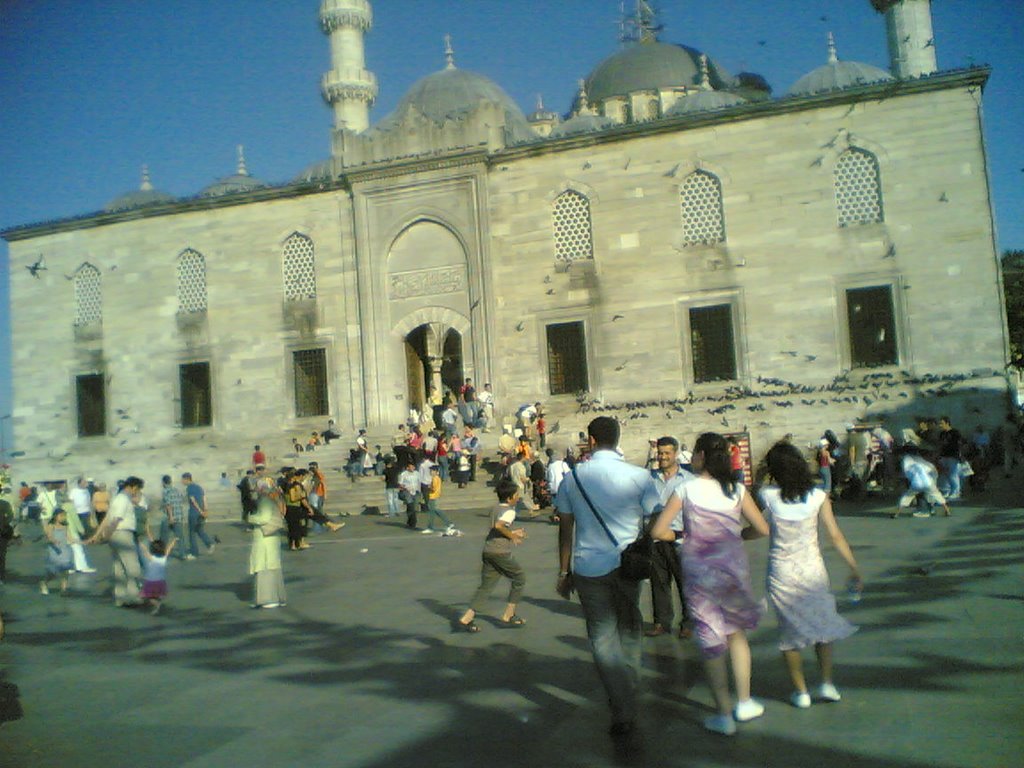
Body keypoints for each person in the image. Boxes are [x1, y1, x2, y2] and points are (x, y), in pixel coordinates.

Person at [651, 432, 770, 736]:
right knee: (736, 633)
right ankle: (744, 701)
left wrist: (679, 537)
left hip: (699, 570)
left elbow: (659, 530)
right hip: (733, 568)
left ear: (701, 456)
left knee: (711, 637)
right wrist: (740, 536)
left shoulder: (685, 489)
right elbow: (761, 528)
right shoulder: (737, 490)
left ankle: (724, 714)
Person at [555, 416, 654, 738]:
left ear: (592, 441)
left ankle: (620, 704)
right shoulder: (640, 476)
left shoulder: (573, 479)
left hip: (587, 566)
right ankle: (629, 687)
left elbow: (566, 528)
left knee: (601, 636)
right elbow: (655, 517)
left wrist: (563, 570)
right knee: (630, 626)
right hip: (628, 565)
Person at [759, 442, 860, 708]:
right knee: (823, 626)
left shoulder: (768, 496)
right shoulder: (818, 496)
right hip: (813, 569)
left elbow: (758, 528)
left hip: (782, 572)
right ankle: (826, 683)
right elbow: (835, 535)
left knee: (790, 633)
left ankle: (801, 691)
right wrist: (854, 568)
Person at [640, 436, 695, 639]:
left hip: (680, 537)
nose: (662, 457)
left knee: (685, 583)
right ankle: (661, 622)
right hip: (655, 538)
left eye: (666, 453)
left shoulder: (689, 480)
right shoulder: (649, 480)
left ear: (676, 454)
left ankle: (688, 623)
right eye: (660, 453)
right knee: (659, 583)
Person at [458, 478, 527, 631]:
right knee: (519, 578)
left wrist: (513, 532)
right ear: (509, 498)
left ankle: (467, 618)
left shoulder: (496, 508)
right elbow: (499, 526)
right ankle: (509, 614)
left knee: (486, 586)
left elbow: (496, 529)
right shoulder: (510, 511)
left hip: (488, 550)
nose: (518, 497)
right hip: (500, 552)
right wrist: (512, 536)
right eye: (516, 495)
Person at [87, 476, 146, 607]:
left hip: (116, 535)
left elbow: (106, 519)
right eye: (137, 490)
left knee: (119, 566)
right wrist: (106, 535)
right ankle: (134, 596)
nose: (136, 493)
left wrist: (97, 535)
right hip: (122, 533)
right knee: (132, 566)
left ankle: (120, 597)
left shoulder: (116, 499)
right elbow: (115, 520)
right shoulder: (123, 499)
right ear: (133, 487)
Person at [249, 477, 287, 608]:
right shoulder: (272, 499)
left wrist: (251, 518)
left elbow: (264, 518)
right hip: (272, 538)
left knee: (264, 566)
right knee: (272, 566)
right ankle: (277, 596)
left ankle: (268, 599)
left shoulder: (264, 501)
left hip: (265, 539)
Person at [893, 446, 950, 518]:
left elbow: (907, 473)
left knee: (907, 497)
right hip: (928, 482)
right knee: (937, 496)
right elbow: (932, 470)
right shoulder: (921, 460)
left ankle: (897, 514)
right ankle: (947, 511)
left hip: (916, 483)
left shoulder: (906, 460)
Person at [40, 506, 74, 596]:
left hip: (64, 550)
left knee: (65, 569)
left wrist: (78, 541)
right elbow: (49, 536)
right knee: (53, 571)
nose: (63, 517)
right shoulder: (51, 525)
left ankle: (64, 589)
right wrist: (54, 540)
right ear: (55, 516)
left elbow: (69, 537)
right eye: (61, 516)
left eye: (64, 516)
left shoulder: (65, 526)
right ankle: (44, 583)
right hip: (54, 550)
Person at [139, 538, 176, 615]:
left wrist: (140, 543)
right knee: (157, 595)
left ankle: (157, 605)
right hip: (160, 581)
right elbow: (169, 550)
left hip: (150, 581)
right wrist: (173, 542)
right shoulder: (164, 558)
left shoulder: (152, 558)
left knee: (147, 597)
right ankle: (157, 605)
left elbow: (145, 551)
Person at [182, 473, 216, 558]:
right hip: (201, 512)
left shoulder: (189, 488)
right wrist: (205, 510)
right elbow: (204, 498)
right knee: (200, 530)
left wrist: (200, 511)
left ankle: (194, 552)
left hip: (194, 513)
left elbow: (193, 500)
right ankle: (210, 543)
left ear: (187, 479)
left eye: (183, 480)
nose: (182, 482)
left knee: (192, 532)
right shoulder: (199, 487)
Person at [422, 464, 460, 536]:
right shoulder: (436, 478)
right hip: (434, 496)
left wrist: (428, 487)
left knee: (433, 510)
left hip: (432, 496)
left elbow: (434, 488)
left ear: (436, 471)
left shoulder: (435, 478)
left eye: (432, 471)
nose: (431, 472)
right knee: (432, 511)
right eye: (430, 471)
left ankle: (447, 523)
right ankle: (433, 526)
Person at [160, 475, 190, 560]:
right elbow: (180, 503)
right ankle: (183, 554)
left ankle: (162, 554)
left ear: (163, 482)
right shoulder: (176, 490)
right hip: (179, 516)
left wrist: (171, 517)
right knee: (180, 537)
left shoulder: (165, 491)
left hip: (169, 517)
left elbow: (168, 505)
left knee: (164, 537)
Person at [937, 416, 964, 500]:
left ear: (947, 423)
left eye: (942, 423)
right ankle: (946, 491)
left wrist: (959, 455)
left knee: (953, 475)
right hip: (943, 456)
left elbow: (959, 444)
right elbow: (940, 444)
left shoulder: (955, 432)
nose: (940, 425)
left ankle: (956, 492)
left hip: (953, 456)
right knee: (944, 475)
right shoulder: (942, 433)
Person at [398, 460, 421, 529]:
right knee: (410, 506)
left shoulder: (417, 473)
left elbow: (420, 481)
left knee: (415, 507)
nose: (412, 468)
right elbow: (400, 484)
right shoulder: (403, 474)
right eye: (411, 467)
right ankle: (413, 522)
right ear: (407, 468)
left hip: (416, 491)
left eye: (413, 466)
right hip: (407, 492)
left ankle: (410, 520)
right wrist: (405, 487)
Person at [0, 491, 15, 584]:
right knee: (1, 556)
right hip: (3, 533)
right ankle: (1, 577)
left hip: (2, 533)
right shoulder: (5, 504)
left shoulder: (5, 504)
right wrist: (4, 524)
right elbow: (10, 516)